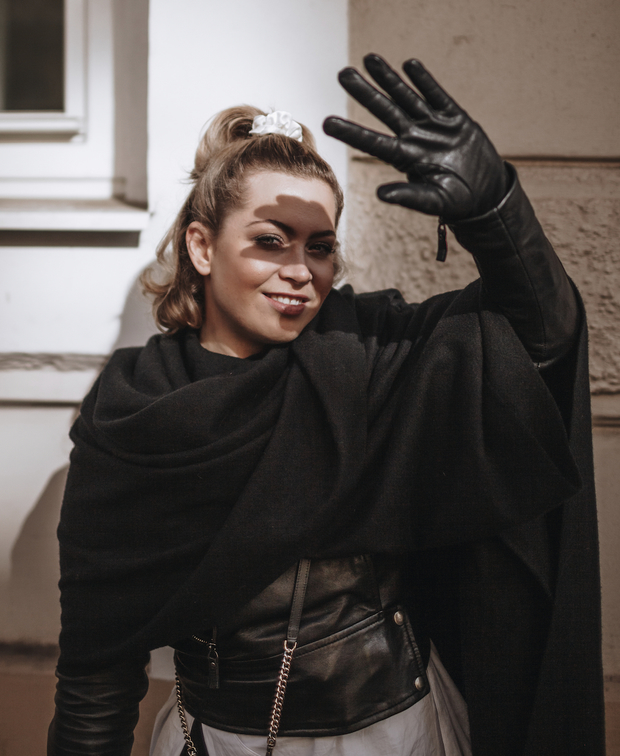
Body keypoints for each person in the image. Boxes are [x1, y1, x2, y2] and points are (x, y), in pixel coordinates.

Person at [48, 56, 604, 756]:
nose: (299, 271)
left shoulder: (373, 356)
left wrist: (495, 211)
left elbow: (543, 338)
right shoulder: (130, 415)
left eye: (320, 247)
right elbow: (97, 670)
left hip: (400, 735)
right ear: (202, 246)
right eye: (269, 241)